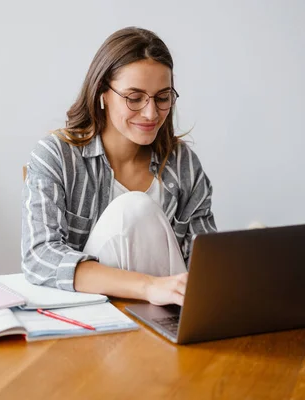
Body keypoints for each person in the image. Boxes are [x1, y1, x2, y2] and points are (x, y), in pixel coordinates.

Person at [21, 27, 217, 306]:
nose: (151, 113)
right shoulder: (56, 155)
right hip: (95, 313)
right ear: (103, 93)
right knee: (134, 208)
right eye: (134, 98)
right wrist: (148, 287)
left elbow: (204, 260)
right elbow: (39, 257)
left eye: (162, 98)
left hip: (168, 315)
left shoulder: (183, 164)